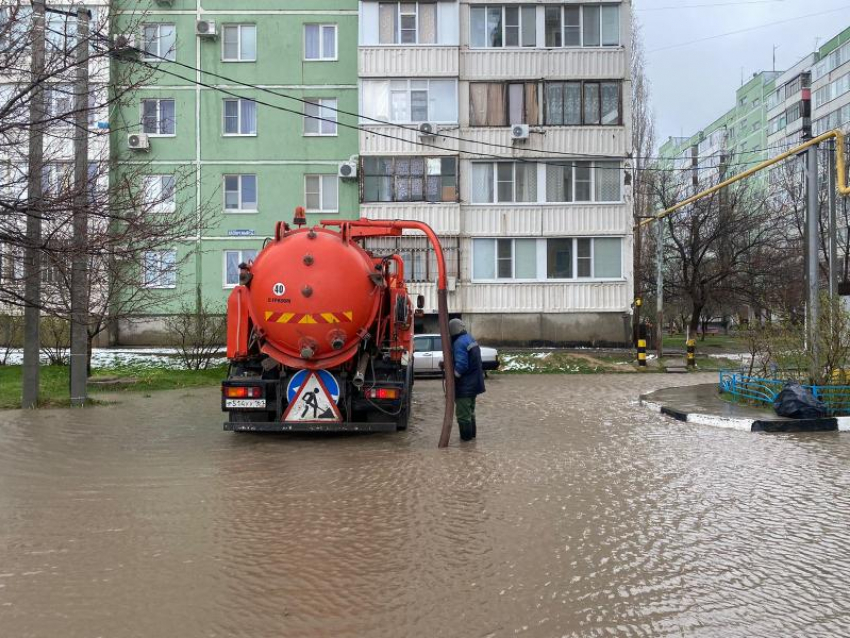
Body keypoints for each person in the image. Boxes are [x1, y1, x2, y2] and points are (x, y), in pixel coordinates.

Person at [448, 318, 485, 441]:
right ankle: (472, 444)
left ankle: (466, 445)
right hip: (474, 384)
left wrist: (453, 377)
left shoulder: (458, 342)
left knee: (463, 416)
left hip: (465, 386)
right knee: (470, 413)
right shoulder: (470, 338)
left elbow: (462, 365)